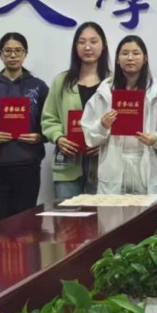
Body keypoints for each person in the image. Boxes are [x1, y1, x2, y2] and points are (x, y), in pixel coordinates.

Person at [81, 35, 157, 195]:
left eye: (136, 53)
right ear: (117, 59)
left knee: (149, 211)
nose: (130, 58)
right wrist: (102, 125)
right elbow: (89, 136)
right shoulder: (105, 92)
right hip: (114, 168)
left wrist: (155, 139)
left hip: (149, 168)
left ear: (145, 58)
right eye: (125, 53)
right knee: (113, 211)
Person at [0, 33, 49, 220]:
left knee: (24, 226)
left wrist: (40, 136)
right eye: (8, 51)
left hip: (27, 166)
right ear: (0, 55)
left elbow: (50, 120)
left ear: (25, 54)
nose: (13, 55)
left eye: (18, 50)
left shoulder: (39, 87)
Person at [41, 22, 110, 203]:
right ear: (75, 47)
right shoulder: (62, 80)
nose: (87, 47)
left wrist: (106, 143)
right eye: (82, 42)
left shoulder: (113, 81)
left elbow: (123, 122)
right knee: (68, 218)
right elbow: (49, 118)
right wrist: (58, 138)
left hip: (103, 164)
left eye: (93, 41)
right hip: (68, 163)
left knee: (102, 218)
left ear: (103, 45)